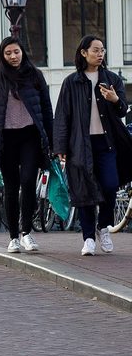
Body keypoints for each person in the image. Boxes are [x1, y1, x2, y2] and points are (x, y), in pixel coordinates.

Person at [53, 35, 132, 256]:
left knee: (110, 185)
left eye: (102, 50)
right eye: (95, 50)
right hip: (80, 145)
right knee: (84, 192)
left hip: (106, 144)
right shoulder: (72, 82)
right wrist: (60, 147)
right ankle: (88, 238)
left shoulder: (112, 79)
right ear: (83, 53)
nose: (100, 54)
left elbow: (122, 110)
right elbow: (62, 116)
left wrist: (115, 100)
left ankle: (103, 227)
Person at [0, 36, 53, 254]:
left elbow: (47, 109)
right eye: (8, 53)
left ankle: (27, 232)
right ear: (2, 55)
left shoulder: (35, 75)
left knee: (29, 181)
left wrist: (52, 139)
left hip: (30, 136)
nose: (13, 56)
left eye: (16, 52)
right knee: (11, 187)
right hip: (6, 139)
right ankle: (13, 237)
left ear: (23, 52)